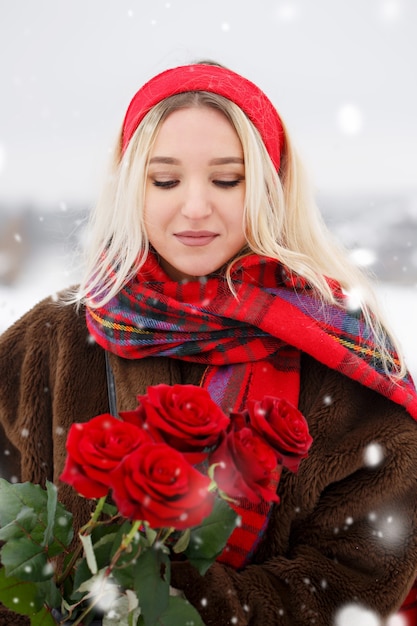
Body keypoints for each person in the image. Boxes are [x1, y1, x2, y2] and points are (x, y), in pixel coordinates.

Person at [1, 61, 417, 626]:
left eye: (228, 179)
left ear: (270, 188)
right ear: (132, 188)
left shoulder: (339, 351)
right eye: (165, 180)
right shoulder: (50, 340)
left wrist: (167, 604)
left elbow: (363, 571)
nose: (195, 207)